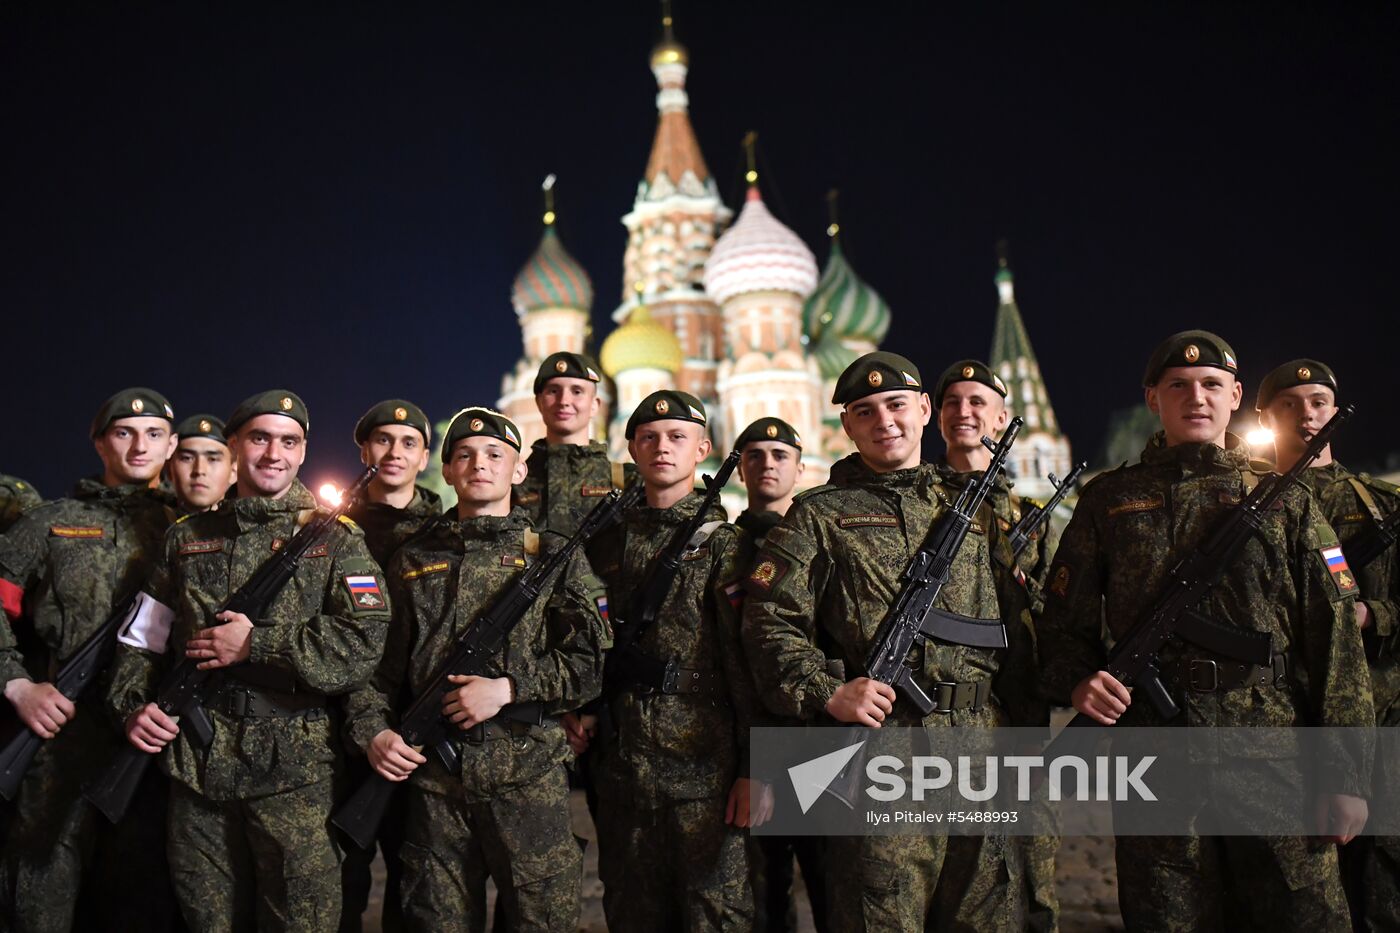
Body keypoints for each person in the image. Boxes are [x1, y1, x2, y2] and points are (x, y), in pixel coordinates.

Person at [1037, 332, 1373, 930]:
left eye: (1212, 385)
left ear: (1236, 395)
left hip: (1275, 752)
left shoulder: (1283, 499)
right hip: (1155, 756)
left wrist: (1346, 775)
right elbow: (1064, 627)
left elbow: (1338, 645)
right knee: (1167, 917)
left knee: (1303, 914)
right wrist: (1079, 683)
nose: (1197, 397)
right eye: (1178, 386)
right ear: (1152, 398)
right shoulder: (1109, 501)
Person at [742, 352, 1043, 932]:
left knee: (988, 912)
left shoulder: (973, 507)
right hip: (885, 752)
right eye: (865, 410)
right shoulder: (818, 516)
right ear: (847, 426)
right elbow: (769, 621)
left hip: (982, 745)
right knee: (882, 913)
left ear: (924, 410)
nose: (885, 420)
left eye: (897, 405)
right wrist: (827, 691)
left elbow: (1018, 630)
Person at [108, 390, 391, 931]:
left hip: (295, 777)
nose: (273, 454)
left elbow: (362, 643)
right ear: (234, 446)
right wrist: (133, 706)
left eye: (289, 441)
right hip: (197, 774)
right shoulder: (186, 539)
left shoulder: (338, 541)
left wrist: (257, 645)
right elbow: (141, 640)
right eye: (259, 439)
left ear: (303, 451)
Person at [346, 406, 609, 930]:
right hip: (436, 787)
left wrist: (510, 688)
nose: (479, 464)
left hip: (528, 778)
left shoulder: (554, 556)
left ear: (518, 470)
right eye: (463, 454)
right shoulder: (411, 559)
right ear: (445, 471)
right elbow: (376, 669)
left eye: (495, 454)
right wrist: (371, 730)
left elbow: (591, 663)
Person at [0, 387, 180, 932]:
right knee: (43, 891)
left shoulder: (188, 528)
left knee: (140, 896)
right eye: (124, 433)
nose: (139, 446)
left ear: (172, 446)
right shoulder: (49, 523)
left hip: (153, 742)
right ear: (100, 442)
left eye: (154, 434)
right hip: (62, 736)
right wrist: (17, 685)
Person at [586, 390, 760, 932]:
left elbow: (750, 663)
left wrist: (757, 768)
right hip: (624, 769)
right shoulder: (605, 545)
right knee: (631, 913)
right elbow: (586, 644)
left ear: (703, 448)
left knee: (716, 916)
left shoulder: (727, 546)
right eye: (649, 438)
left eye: (677, 437)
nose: (663, 447)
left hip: (706, 771)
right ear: (632, 450)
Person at [1257, 358, 1400, 929]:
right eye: (1289, 404)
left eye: (1317, 401)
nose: (1306, 414)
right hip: (1284, 727)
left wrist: (1374, 616)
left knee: (1383, 886)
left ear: (1336, 411)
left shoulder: (1382, 506)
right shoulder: (1251, 510)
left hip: (1383, 724)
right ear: (1266, 416)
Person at [932, 359, 1060, 931]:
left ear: (1002, 417)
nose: (964, 413)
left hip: (1020, 713)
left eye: (977, 402)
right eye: (952, 404)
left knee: (1032, 870)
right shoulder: (923, 509)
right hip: (942, 719)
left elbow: (1064, 616)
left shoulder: (1030, 519)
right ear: (937, 421)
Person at [339, 398, 440, 933]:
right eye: (383, 440)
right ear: (364, 450)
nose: (394, 452)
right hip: (334, 731)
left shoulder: (445, 531)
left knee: (416, 886)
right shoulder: (331, 530)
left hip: (414, 732)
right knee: (337, 886)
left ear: (424, 457)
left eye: (408, 443)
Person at [732, 416, 828, 933]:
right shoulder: (725, 547)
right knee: (764, 895)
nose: (767, 464)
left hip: (822, 740)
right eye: (755, 456)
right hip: (754, 740)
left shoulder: (824, 537)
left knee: (836, 885)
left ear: (799, 467)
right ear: (739, 468)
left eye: (780, 455)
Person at [513, 352, 632, 536]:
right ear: (539, 402)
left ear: (595, 405)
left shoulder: (628, 483)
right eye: (554, 391)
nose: (564, 401)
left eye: (577, 391)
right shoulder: (514, 483)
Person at [168, 414, 233, 513]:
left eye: (212, 459)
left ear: (233, 471)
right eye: (187, 458)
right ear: (169, 468)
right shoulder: (146, 524)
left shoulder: (249, 525)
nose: (199, 470)